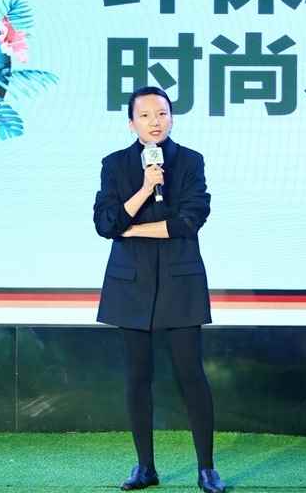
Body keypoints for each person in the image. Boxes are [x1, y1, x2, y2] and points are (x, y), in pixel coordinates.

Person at [93, 87, 225, 493]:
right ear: (131, 123)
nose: (155, 121)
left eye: (162, 113)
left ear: (172, 118)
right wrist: (144, 189)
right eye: (146, 115)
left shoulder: (190, 161)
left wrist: (132, 229)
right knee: (138, 378)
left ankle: (206, 469)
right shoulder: (115, 165)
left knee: (191, 375)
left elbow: (189, 220)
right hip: (131, 284)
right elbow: (105, 223)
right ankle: (145, 467)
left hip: (179, 282)